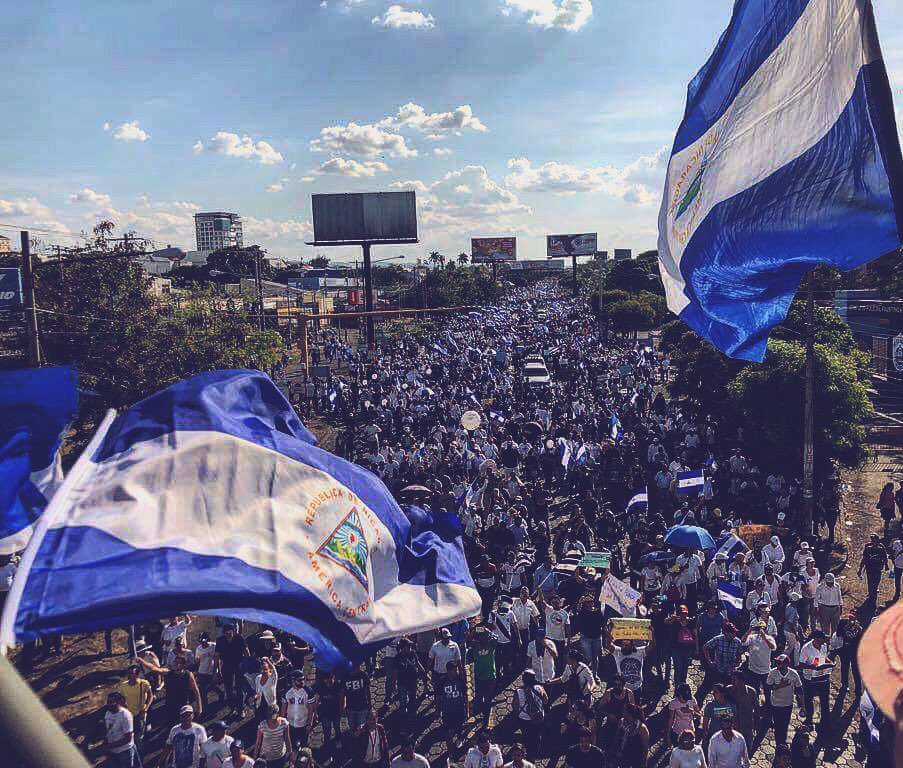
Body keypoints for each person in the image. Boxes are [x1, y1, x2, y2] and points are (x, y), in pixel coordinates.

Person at [799, 629, 834, 731]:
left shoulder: (824, 646)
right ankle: (809, 719)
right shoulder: (806, 648)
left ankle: (825, 723)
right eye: (823, 638)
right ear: (817, 639)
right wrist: (813, 668)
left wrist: (829, 661)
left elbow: (824, 657)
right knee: (808, 700)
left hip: (823, 677)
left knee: (825, 701)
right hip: (810, 679)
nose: (825, 640)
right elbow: (801, 664)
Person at [764, 655, 801, 745]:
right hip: (775, 704)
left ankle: (782, 743)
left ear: (787, 664)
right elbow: (768, 687)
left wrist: (803, 706)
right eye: (778, 663)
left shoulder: (794, 674)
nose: (778, 665)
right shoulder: (772, 673)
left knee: (785, 725)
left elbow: (799, 689)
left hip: (788, 704)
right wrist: (781, 685)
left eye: (781, 663)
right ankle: (778, 744)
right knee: (777, 726)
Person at [215, 624, 250, 717]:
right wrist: (217, 670)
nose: (228, 635)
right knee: (228, 689)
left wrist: (246, 665)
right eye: (226, 633)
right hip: (226, 665)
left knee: (239, 688)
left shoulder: (239, 638)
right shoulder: (220, 640)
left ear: (233, 631)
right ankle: (232, 708)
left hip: (238, 664)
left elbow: (247, 653)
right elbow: (217, 656)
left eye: (230, 633)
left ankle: (241, 709)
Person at [511, 670, 547, 756]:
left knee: (526, 736)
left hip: (524, 719)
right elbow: (546, 701)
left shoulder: (519, 691)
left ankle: (527, 751)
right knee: (537, 735)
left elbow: (514, 706)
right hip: (538, 717)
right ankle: (535, 751)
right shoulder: (540, 688)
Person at [118, 664, 153, 751]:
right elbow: (122, 699)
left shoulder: (144, 684)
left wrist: (146, 708)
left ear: (137, 674)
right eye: (128, 673)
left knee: (139, 736)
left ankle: (140, 752)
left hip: (140, 714)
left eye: (132, 673)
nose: (129, 675)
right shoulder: (123, 686)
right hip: (129, 715)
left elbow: (150, 696)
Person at [439, 661, 469, 755]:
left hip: (459, 709)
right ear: (448, 671)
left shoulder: (460, 680)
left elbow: (465, 695)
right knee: (449, 731)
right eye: (454, 670)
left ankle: (460, 737)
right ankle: (450, 752)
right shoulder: (442, 682)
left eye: (456, 670)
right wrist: (438, 710)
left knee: (459, 726)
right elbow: (438, 697)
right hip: (447, 711)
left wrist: (467, 710)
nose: (456, 672)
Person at [104, 691, 141, 768]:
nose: (108, 704)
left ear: (118, 702)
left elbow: (128, 739)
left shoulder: (125, 716)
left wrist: (110, 746)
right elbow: (109, 730)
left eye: (111, 702)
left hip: (125, 752)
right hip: (114, 751)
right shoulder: (108, 713)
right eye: (108, 702)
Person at [281, 670, 317, 750]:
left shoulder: (308, 691)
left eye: (303, 679)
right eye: (300, 680)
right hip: (290, 723)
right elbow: (283, 708)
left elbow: (311, 709)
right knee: (293, 745)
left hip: (303, 723)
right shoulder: (286, 691)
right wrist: (282, 723)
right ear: (293, 680)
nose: (302, 682)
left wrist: (309, 724)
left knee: (304, 745)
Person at [830, 612, 863, 694]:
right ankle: (844, 684)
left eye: (853, 617)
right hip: (844, 650)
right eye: (850, 617)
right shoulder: (842, 622)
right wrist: (847, 626)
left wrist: (859, 630)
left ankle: (858, 689)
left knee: (856, 670)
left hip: (854, 650)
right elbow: (838, 633)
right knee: (845, 667)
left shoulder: (858, 625)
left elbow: (860, 638)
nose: (852, 619)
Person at [725, 670, 758, 749]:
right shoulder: (728, 690)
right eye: (731, 680)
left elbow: (757, 709)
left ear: (741, 681)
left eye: (734, 680)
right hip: (732, 726)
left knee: (747, 748)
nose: (732, 682)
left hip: (747, 726)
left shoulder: (751, 692)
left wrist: (757, 724)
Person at [741, 620, 776, 692]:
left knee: (767, 691)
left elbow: (773, 648)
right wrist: (749, 631)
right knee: (754, 690)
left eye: (762, 628)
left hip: (765, 670)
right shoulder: (751, 637)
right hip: (753, 669)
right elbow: (743, 642)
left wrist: (764, 638)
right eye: (759, 628)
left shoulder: (769, 638)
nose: (760, 630)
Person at [858, 534, 889, 607]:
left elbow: (885, 558)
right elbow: (864, 558)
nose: (874, 542)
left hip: (877, 569)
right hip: (869, 568)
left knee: (876, 582)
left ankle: (874, 592)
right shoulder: (868, 548)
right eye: (873, 540)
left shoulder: (881, 548)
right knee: (870, 582)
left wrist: (885, 565)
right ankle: (871, 595)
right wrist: (860, 569)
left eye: (876, 540)